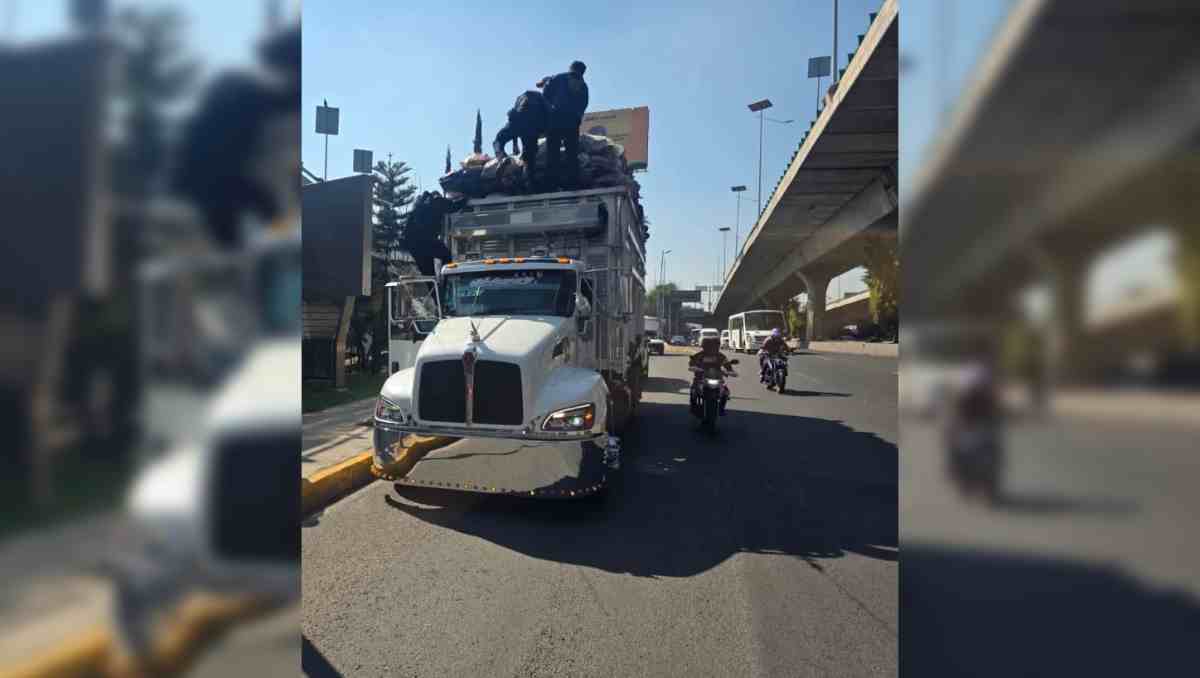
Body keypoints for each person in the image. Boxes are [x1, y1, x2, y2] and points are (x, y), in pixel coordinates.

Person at [536, 60, 589, 191]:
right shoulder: (583, 85)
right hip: (572, 122)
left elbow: (545, 96)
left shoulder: (558, 78)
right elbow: (584, 104)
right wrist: (577, 117)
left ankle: (551, 184)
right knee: (571, 153)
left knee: (553, 152)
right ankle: (572, 183)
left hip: (556, 119)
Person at [689, 336, 735, 414]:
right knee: (693, 390)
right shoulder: (699, 355)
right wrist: (695, 368)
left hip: (717, 378)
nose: (711, 348)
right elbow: (692, 363)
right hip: (701, 378)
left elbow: (727, 365)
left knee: (725, 392)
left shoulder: (721, 356)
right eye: (709, 346)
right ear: (704, 346)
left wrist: (730, 371)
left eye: (714, 345)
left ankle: (721, 408)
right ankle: (693, 407)